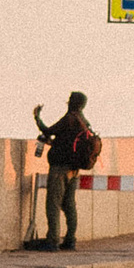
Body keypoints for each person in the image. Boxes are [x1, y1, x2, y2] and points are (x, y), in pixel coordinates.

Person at [30, 89, 97, 249]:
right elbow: (66, 142)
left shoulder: (69, 119)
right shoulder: (84, 121)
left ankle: (52, 241)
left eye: (69, 100)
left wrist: (37, 117)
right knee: (69, 205)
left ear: (72, 103)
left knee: (53, 204)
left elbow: (48, 131)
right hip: (74, 169)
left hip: (60, 168)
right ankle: (70, 240)